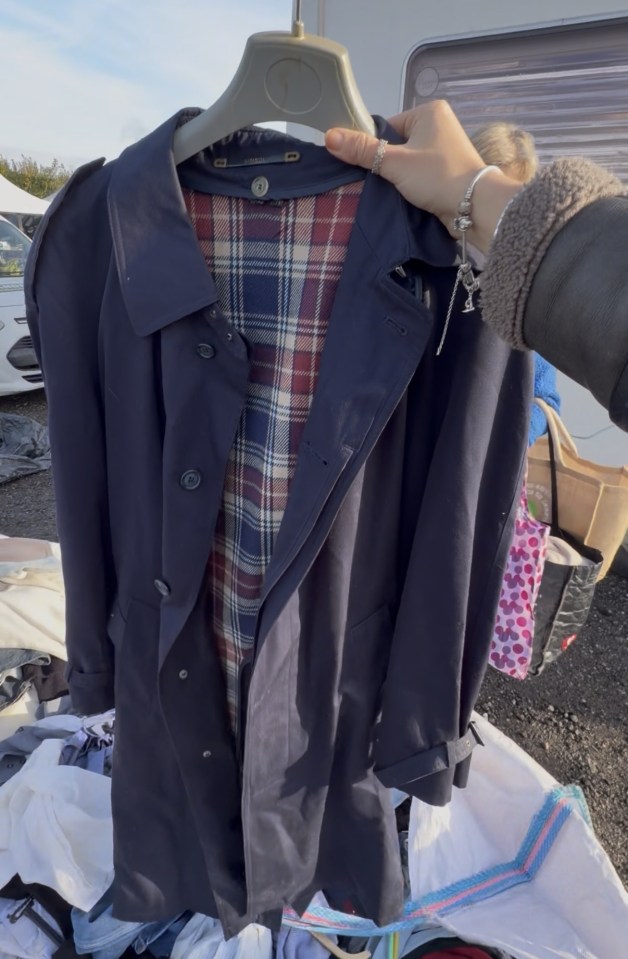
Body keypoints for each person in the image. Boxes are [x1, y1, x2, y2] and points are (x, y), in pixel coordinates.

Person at [324, 101, 628, 432]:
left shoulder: (521, 299)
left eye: (512, 192)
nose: (484, 229)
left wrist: (500, 442)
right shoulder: (414, 261)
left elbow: (545, 400)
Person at [469, 121, 560, 447]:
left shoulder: (526, 287)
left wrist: (506, 442)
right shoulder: (425, 263)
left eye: (511, 201)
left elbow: (546, 399)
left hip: (490, 471)